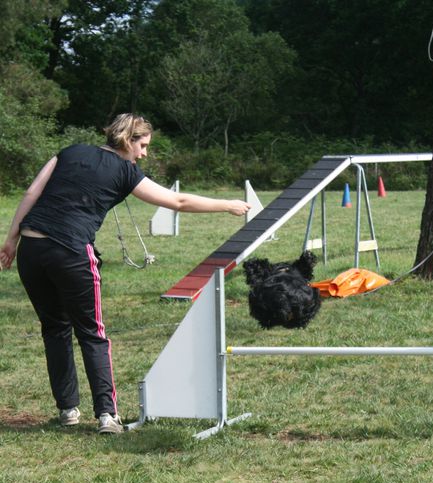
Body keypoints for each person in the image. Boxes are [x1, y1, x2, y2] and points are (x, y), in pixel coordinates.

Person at [0, 113, 250, 434]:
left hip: (31, 250)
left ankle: (67, 410)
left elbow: (32, 194)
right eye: (142, 145)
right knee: (93, 333)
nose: (144, 153)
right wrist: (226, 204)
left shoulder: (70, 151)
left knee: (55, 328)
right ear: (127, 139)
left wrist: (11, 240)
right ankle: (107, 415)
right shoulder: (125, 170)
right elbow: (178, 200)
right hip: (72, 251)